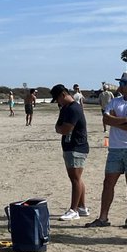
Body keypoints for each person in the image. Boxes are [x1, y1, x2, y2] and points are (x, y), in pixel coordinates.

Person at [86, 72, 127, 229]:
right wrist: (126, 120)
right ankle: (103, 217)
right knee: (108, 182)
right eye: (120, 82)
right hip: (115, 147)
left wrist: (117, 121)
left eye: (124, 83)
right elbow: (106, 119)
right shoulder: (115, 101)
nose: (120, 85)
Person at [51, 84, 89, 220]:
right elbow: (58, 126)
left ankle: (74, 210)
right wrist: (59, 128)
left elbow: (64, 129)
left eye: (57, 99)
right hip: (69, 146)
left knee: (75, 179)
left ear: (63, 95)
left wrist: (60, 128)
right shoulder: (65, 109)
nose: (57, 102)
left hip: (76, 147)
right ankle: (82, 207)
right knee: (77, 178)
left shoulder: (74, 108)